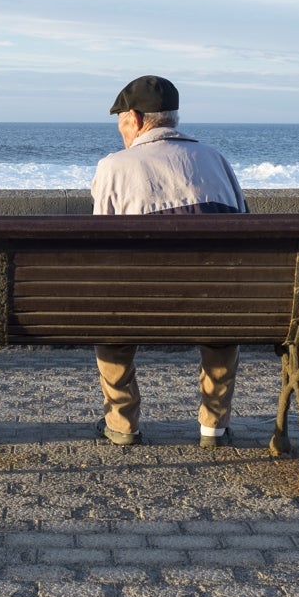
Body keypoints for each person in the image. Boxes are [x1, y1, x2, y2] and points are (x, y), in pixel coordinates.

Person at [89, 75, 248, 448]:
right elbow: (243, 226)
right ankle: (214, 427)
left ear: (136, 117)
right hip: (212, 306)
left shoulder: (114, 166)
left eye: (122, 123)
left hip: (139, 306)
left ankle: (123, 422)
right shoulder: (216, 160)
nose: (121, 132)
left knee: (110, 320)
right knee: (221, 323)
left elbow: (99, 244)